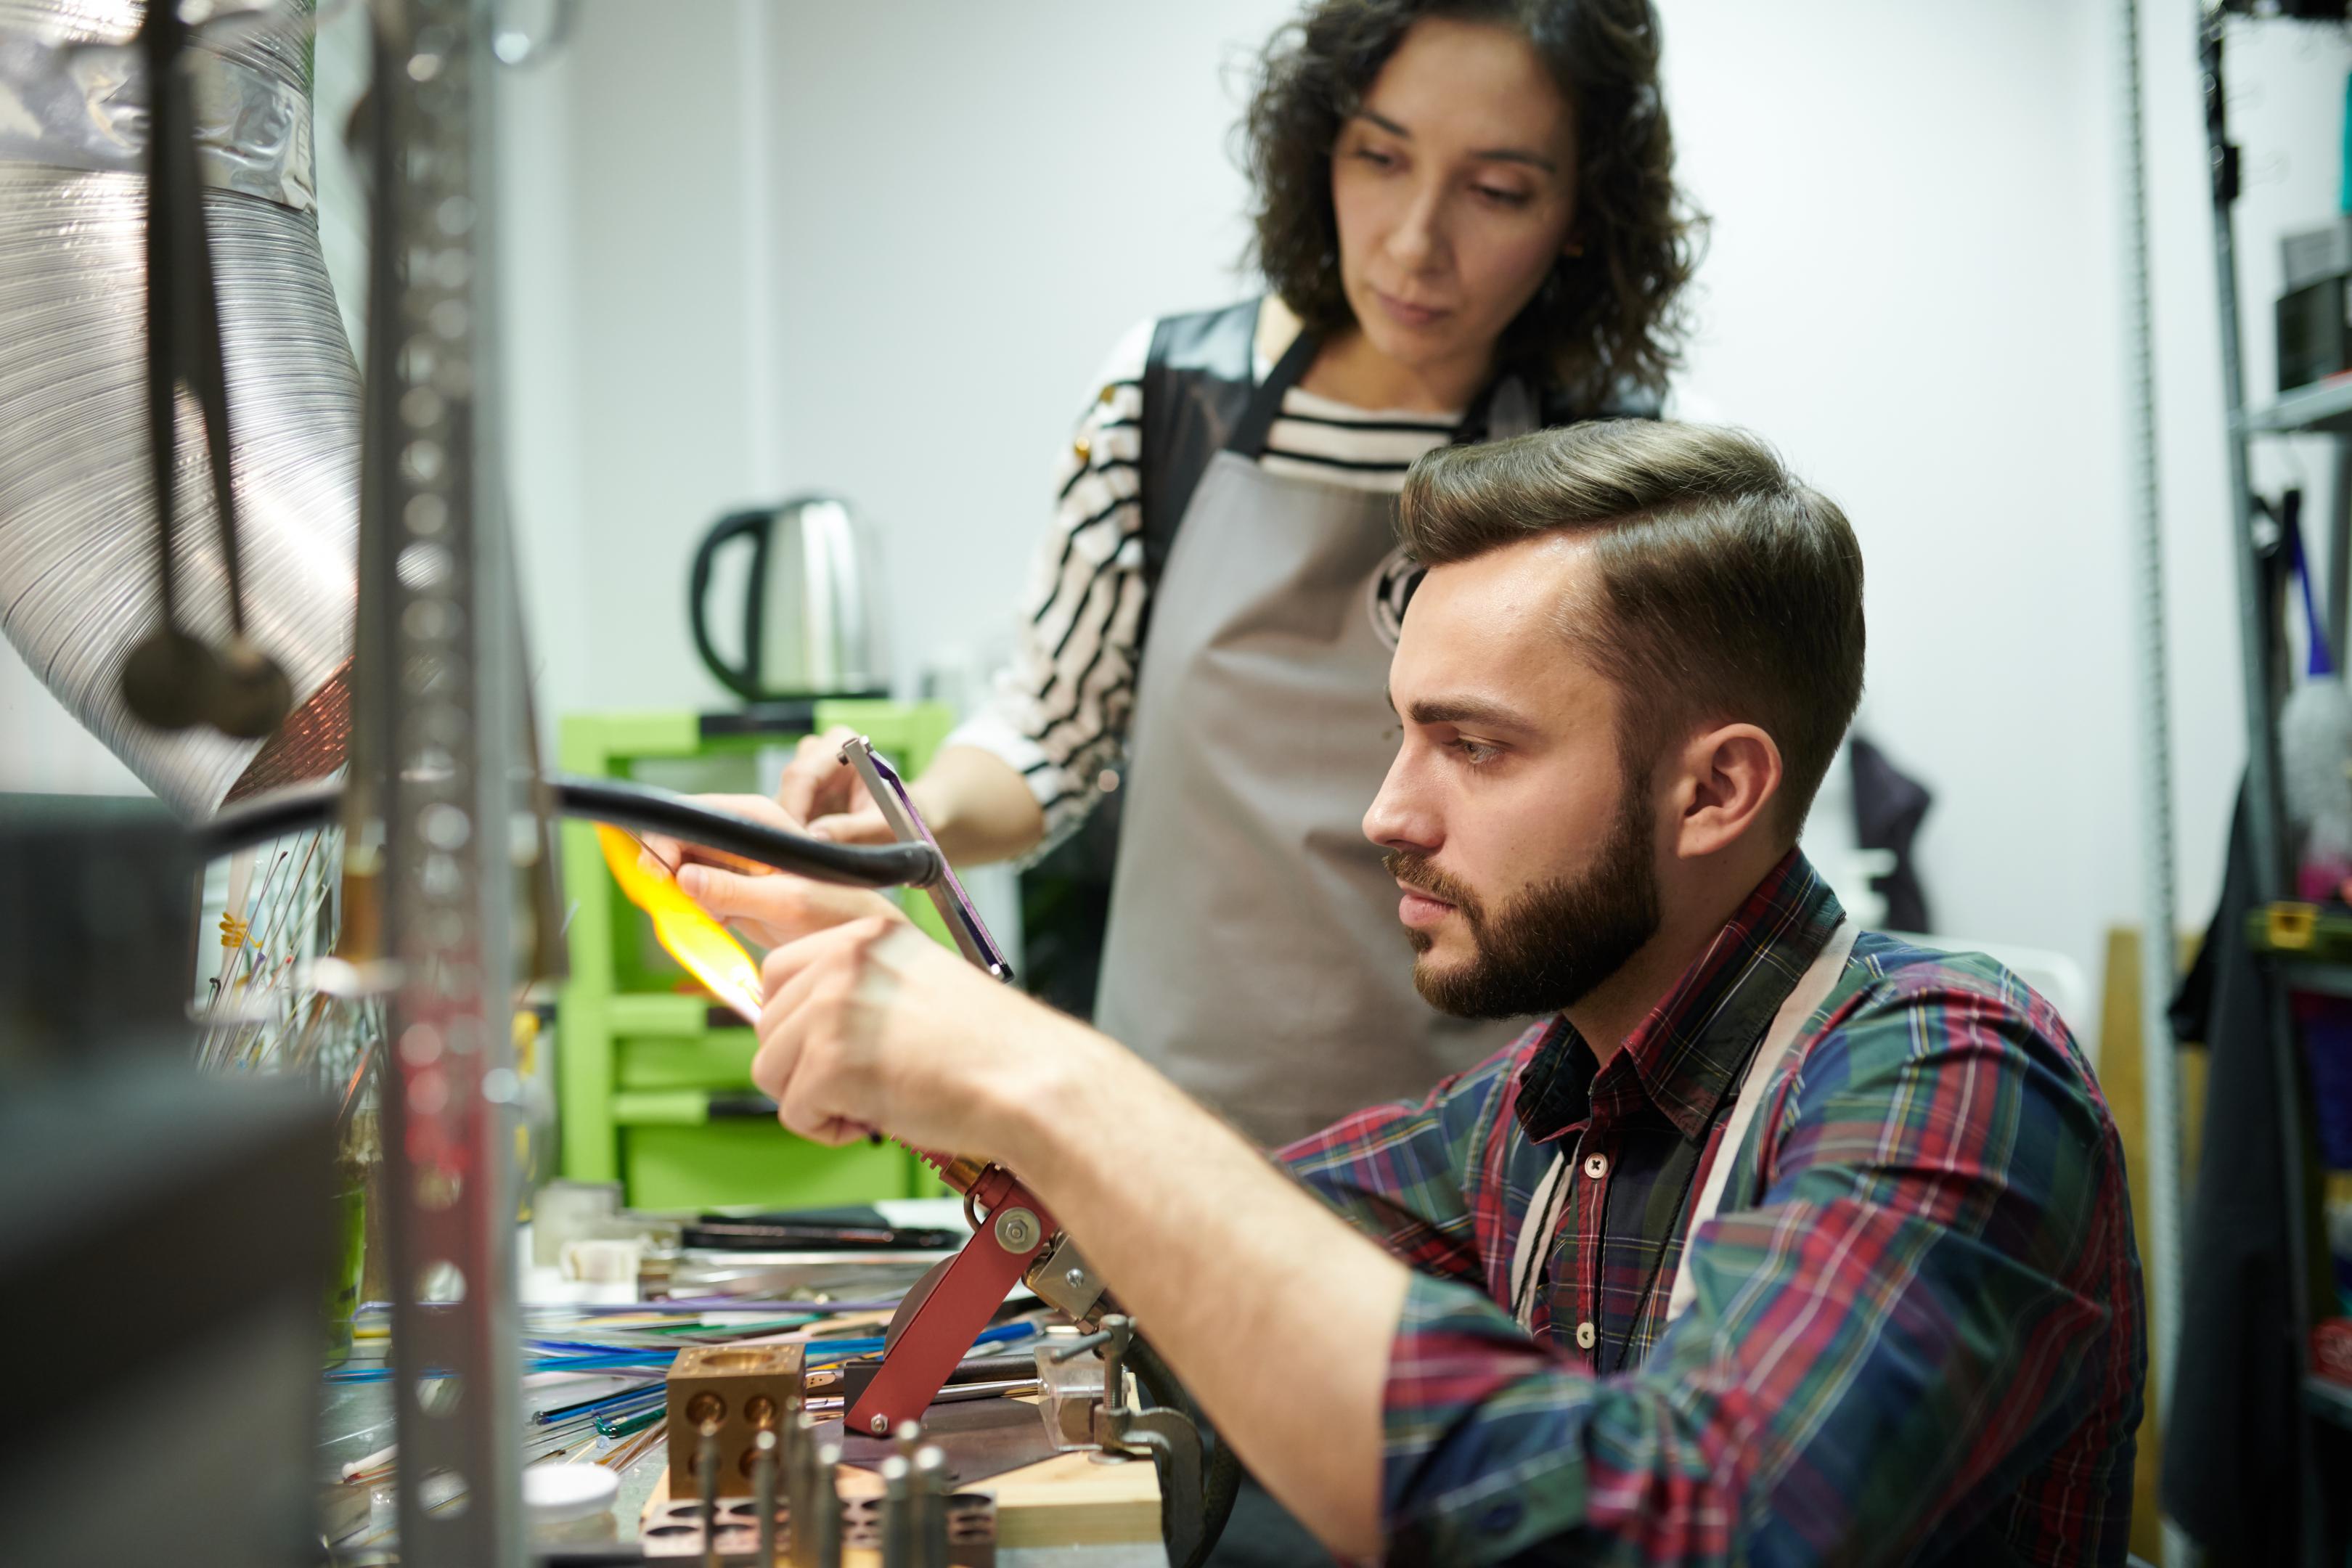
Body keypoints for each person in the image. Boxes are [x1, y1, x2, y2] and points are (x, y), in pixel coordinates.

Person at [725, 423, 2147, 1563]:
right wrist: (910, 1046)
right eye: (1404, 733)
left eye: (1475, 747)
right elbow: (1192, 1257)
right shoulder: (1533, 1113)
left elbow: (1694, 1524)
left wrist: (1042, 1075)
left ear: (1717, 789)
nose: (1385, 813)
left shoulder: (1952, 1072)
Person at [686, 0, 1701, 1151]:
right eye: (1378, 157)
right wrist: (901, 825)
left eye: (1499, 190)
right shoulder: (1168, 397)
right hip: (1171, 1126)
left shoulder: (1629, 457)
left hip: (1502, 1153)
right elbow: (1055, 729)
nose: (1417, 241)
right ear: (1318, 146)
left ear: (1582, 214)